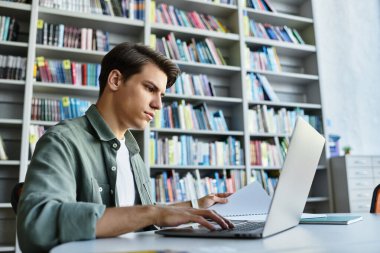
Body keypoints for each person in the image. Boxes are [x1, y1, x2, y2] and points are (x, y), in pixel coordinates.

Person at [17, 42, 234, 253]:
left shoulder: (133, 152)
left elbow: (140, 214)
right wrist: (152, 213)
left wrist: (196, 204)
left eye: (161, 95)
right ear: (115, 80)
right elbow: (38, 223)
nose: (158, 104)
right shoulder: (63, 141)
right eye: (150, 88)